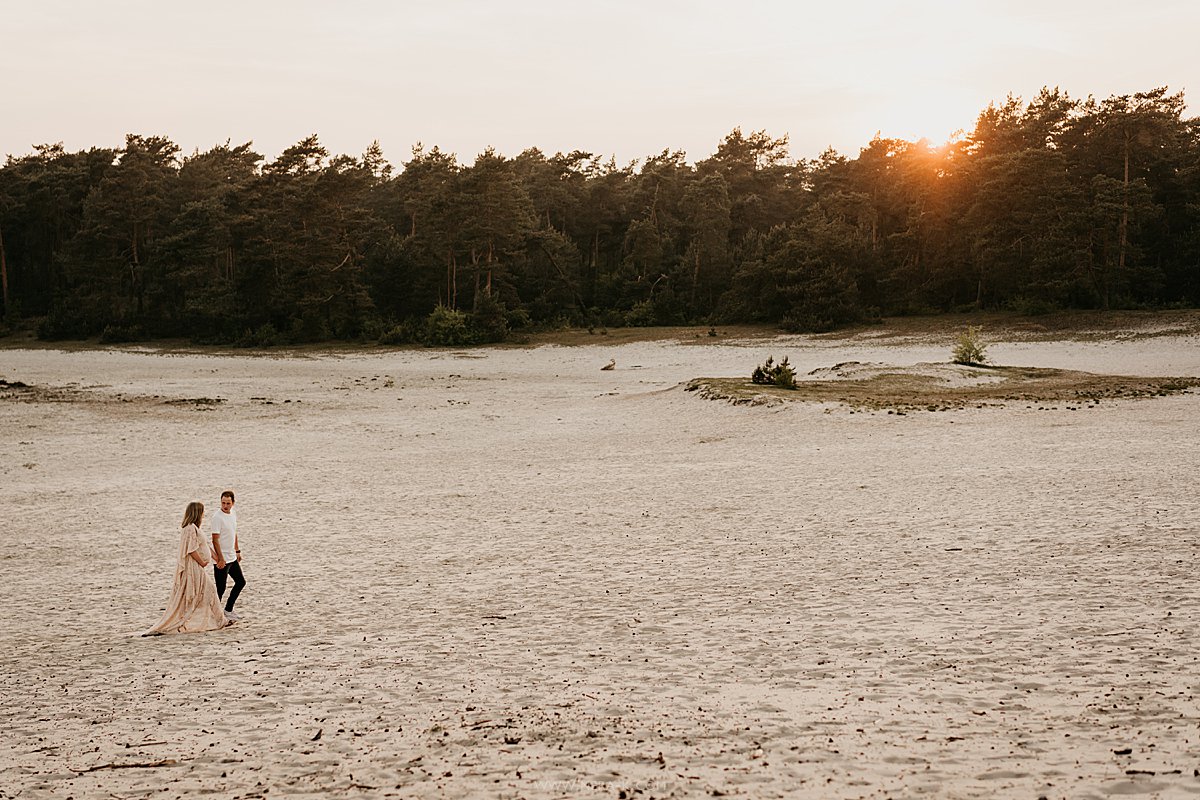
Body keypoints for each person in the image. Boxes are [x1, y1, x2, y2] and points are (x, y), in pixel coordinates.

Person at [143, 502, 232, 635]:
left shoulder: (195, 528)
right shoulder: (189, 528)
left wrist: (217, 558)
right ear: (197, 513)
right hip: (194, 567)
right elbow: (191, 549)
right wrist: (202, 562)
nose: (203, 515)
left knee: (208, 592)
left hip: (198, 566)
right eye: (202, 512)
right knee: (208, 590)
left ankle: (219, 619)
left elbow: (205, 545)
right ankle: (218, 620)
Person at [210, 489, 246, 621]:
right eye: (223, 503)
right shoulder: (217, 517)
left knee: (241, 582)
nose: (225, 506)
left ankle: (228, 610)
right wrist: (220, 558)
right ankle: (213, 614)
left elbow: (234, 532)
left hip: (232, 556)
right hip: (222, 559)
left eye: (228, 503)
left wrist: (237, 551)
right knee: (220, 588)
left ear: (233, 503)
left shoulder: (233, 514)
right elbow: (215, 539)